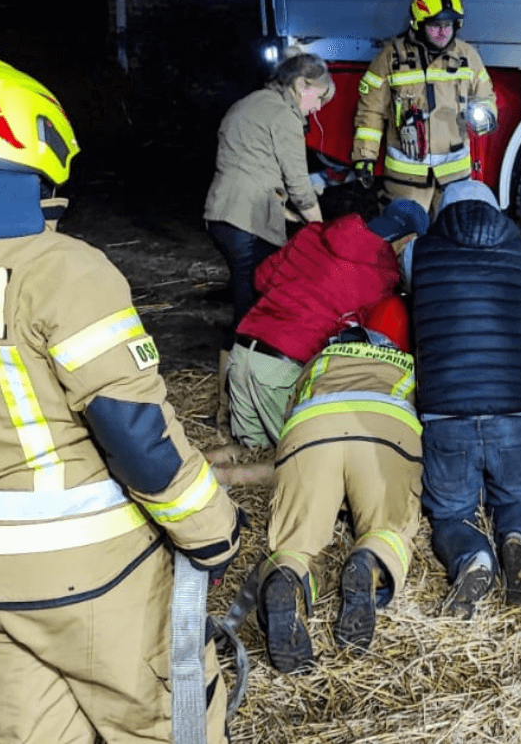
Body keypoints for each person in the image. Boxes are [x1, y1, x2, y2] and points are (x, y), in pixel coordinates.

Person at [0, 58, 243, 742]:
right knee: (163, 721)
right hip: (92, 578)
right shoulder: (63, 270)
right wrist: (212, 530)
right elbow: (135, 433)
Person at [401, 179, 521, 618]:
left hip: (447, 411)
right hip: (516, 408)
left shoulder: (419, 252)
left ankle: (473, 558)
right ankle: (516, 542)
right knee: (517, 501)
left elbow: (406, 285)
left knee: (451, 514)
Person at [259, 296, 422, 670]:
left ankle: (289, 575)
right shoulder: (410, 364)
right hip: (385, 427)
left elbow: (288, 417)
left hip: (312, 427)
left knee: (296, 538)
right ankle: (370, 559)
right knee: (390, 525)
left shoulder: (321, 361)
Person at [226, 199, 428, 449]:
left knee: (248, 457)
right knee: (298, 463)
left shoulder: (314, 234)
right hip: (280, 372)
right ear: (407, 241)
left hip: (242, 355)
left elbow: (260, 278)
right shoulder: (381, 279)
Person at [203, 52, 335, 431]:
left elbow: (252, 168)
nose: (315, 110)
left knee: (247, 303)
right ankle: (233, 409)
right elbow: (298, 182)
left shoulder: (249, 103)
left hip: (222, 213)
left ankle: (226, 402)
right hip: (245, 221)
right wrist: (321, 230)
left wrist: (287, 216)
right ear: (300, 86)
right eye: (317, 98)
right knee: (251, 314)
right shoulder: (284, 116)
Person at [350, 0, 498, 215]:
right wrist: (364, 156)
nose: (443, 32)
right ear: (418, 23)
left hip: (454, 179)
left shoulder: (467, 56)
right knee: (404, 243)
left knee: (450, 241)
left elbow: (486, 96)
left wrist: (486, 115)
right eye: (435, 25)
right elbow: (371, 111)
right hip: (406, 181)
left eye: (448, 25)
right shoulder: (390, 58)